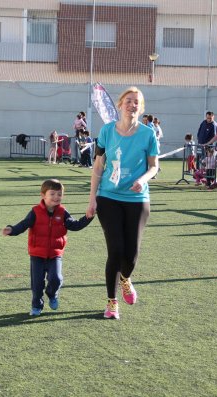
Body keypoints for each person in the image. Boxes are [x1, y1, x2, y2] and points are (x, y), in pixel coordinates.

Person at [85, 86, 159, 320]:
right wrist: (92, 200)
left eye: (136, 102)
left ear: (141, 106)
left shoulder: (148, 134)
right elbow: (98, 166)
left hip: (137, 198)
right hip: (108, 197)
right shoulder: (107, 131)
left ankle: (126, 279)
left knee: (132, 254)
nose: (132, 105)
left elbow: (154, 166)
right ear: (120, 104)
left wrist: (142, 179)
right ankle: (111, 301)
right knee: (115, 250)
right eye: (128, 101)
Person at [2, 179, 93, 316]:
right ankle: (36, 306)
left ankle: (52, 294)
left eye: (59, 194)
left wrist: (87, 217)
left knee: (56, 278)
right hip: (37, 254)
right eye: (53, 194)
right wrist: (12, 229)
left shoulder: (63, 212)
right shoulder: (35, 211)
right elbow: (24, 224)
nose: (56, 197)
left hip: (55, 254)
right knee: (37, 284)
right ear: (43, 195)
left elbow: (74, 225)